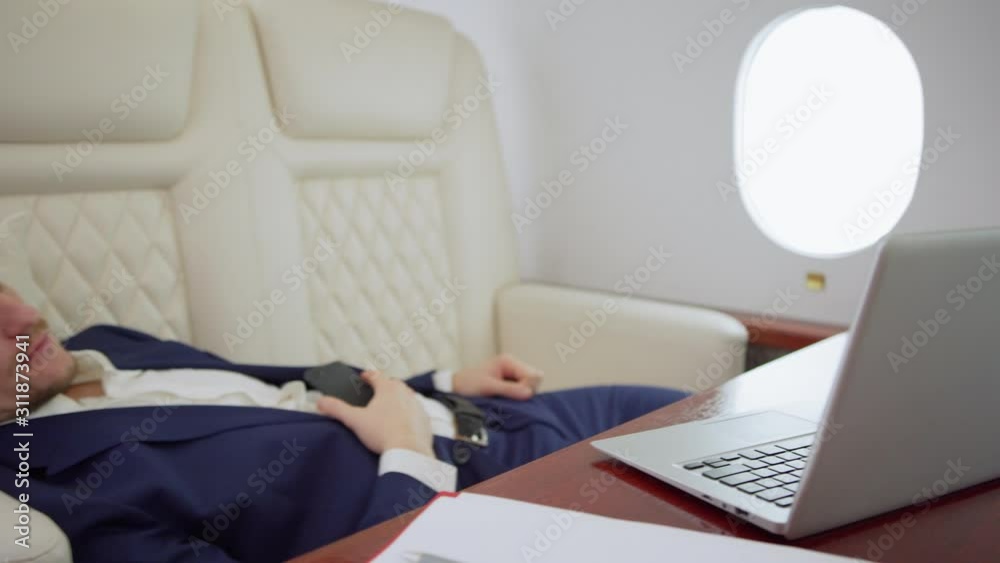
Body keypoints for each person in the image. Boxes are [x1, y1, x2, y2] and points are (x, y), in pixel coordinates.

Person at [0, 281, 687, 562]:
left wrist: (441, 381)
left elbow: (282, 387)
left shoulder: (105, 341)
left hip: (498, 415)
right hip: (473, 508)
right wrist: (410, 455)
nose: (26, 317)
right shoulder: (46, 494)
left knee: (728, 421)